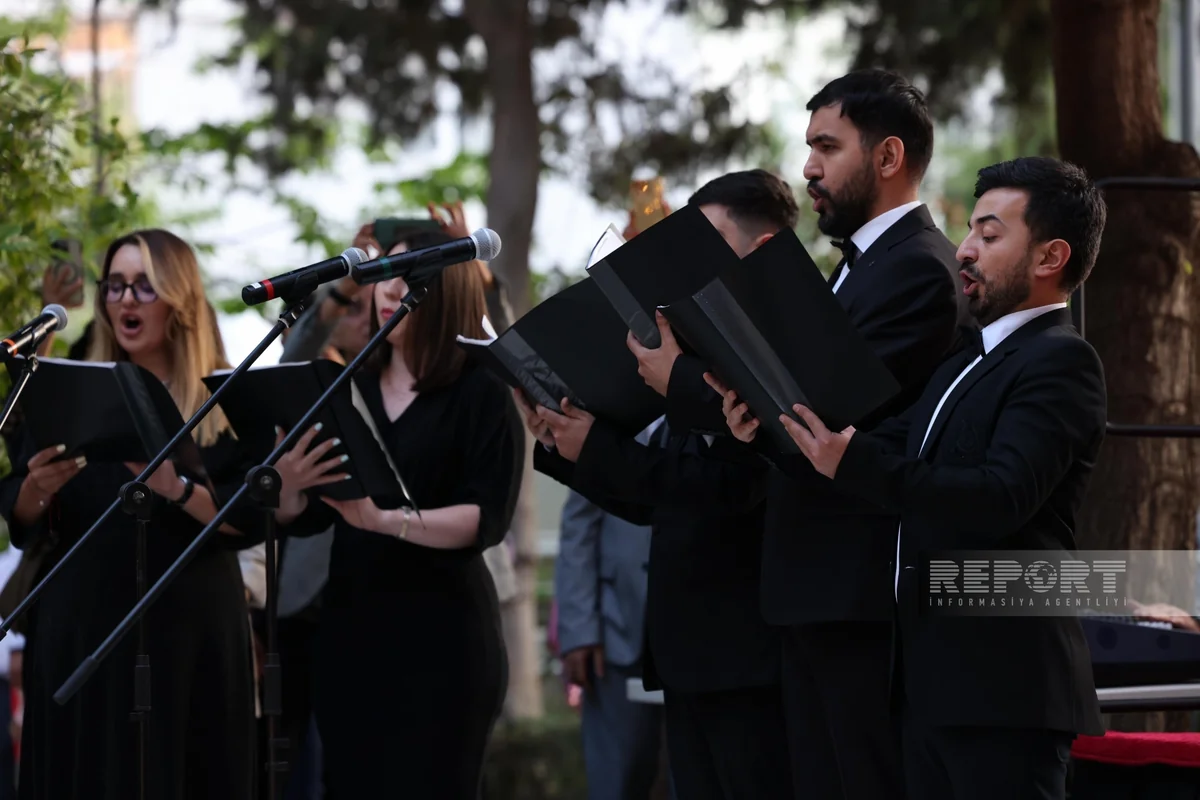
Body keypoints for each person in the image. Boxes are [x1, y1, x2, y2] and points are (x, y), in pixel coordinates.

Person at [626, 70, 969, 800]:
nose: (808, 167)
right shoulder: (858, 269)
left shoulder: (918, 269)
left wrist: (681, 379)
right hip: (811, 596)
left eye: (827, 147)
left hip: (860, 597)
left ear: (888, 156)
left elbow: (823, 416)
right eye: (809, 147)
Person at [751, 156, 1108, 800]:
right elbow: (873, 448)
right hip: (928, 690)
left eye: (990, 235)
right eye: (970, 231)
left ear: (1051, 257)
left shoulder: (1062, 361)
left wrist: (854, 461)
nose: (965, 250)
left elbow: (997, 498)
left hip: (1004, 691)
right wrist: (767, 428)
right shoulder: (966, 360)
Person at [525, 170, 795, 799]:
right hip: (685, 650)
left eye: (708, 241)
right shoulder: (690, 350)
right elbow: (661, 500)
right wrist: (567, 444)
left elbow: (727, 489)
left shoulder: (779, 352)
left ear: (760, 251)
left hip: (753, 655)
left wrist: (598, 444)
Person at [0, 229, 258, 799]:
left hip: (189, 634)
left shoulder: (223, 399)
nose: (125, 300)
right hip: (82, 629)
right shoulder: (69, 382)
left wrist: (178, 488)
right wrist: (37, 489)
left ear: (179, 299)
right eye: (114, 285)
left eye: (144, 286)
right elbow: (21, 513)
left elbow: (249, 519)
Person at [274, 236, 524, 798]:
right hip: (352, 633)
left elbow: (487, 516)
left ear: (447, 288)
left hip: (445, 641)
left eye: (405, 273)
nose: (387, 289)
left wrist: (389, 521)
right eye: (384, 273)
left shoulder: (480, 390)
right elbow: (312, 514)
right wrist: (287, 490)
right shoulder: (348, 387)